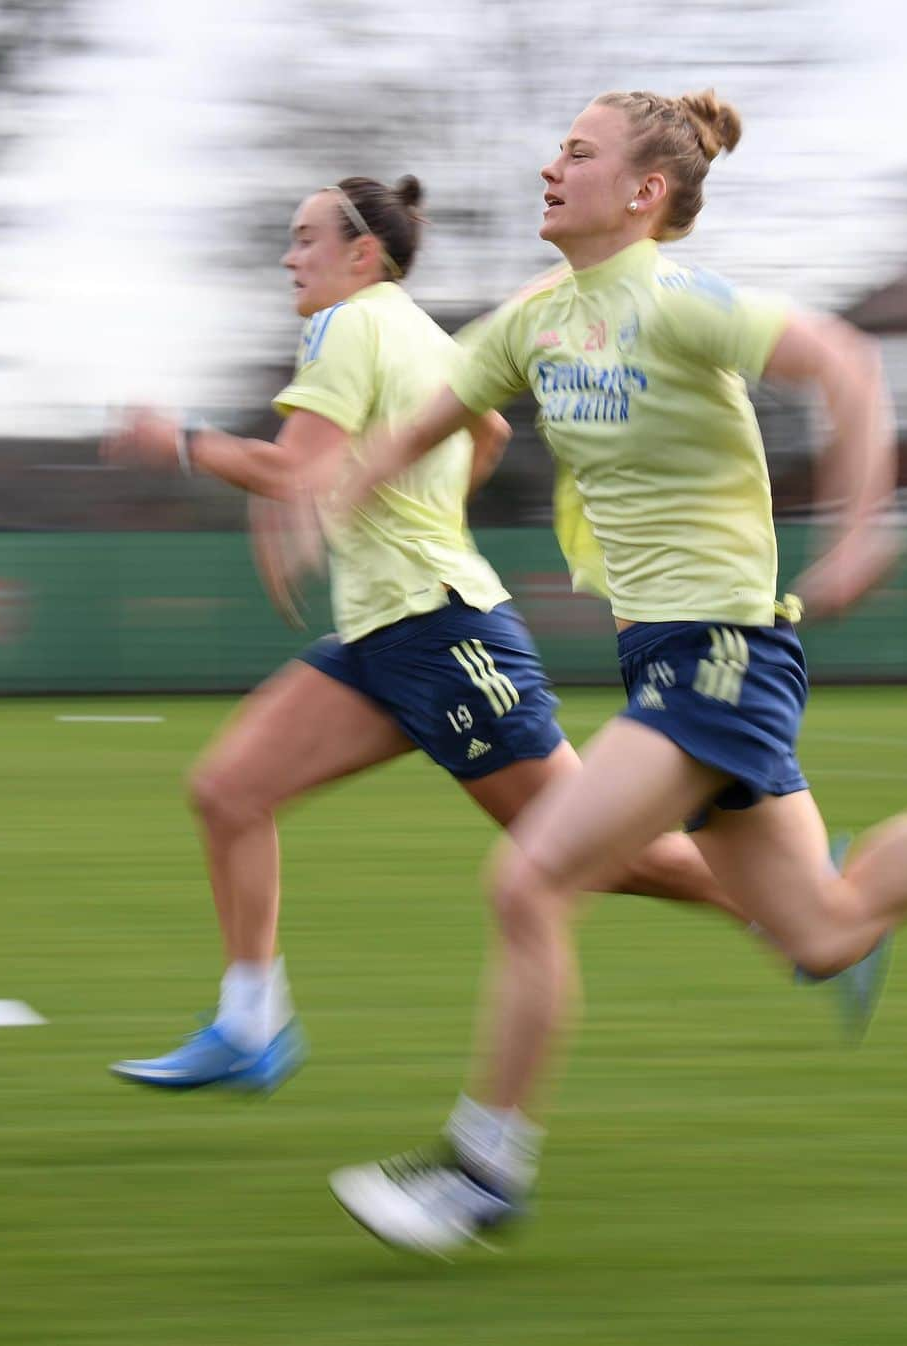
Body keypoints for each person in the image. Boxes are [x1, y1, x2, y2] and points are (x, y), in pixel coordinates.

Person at [323, 90, 907, 1255]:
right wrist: (351, 478)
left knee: (530, 880)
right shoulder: (538, 319)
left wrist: (868, 521)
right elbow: (431, 414)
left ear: (645, 192)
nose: (551, 164)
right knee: (823, 932)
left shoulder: (678, 301)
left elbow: (851, 362)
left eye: (579, 151)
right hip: (670, 657)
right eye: (556, 147)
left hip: (724, 652)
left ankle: (483, 1167)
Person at [101, 171, 795, 1095]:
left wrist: (177, 440)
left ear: (362, 254)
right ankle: (250, 1023)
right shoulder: (423, 335)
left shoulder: (349, 324)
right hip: (386, 634)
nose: (288, 257)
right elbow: (494, 433)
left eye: (305, 239)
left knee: (591, 851)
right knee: (228, 791)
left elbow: (291, 469)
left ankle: (787, 904)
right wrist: (421, 517)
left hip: (444, 637)